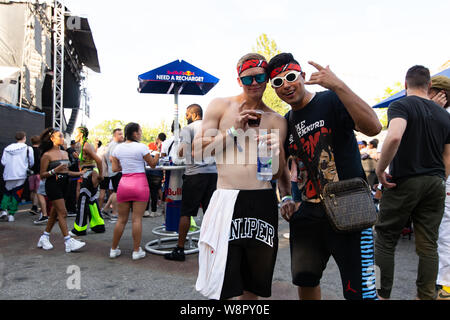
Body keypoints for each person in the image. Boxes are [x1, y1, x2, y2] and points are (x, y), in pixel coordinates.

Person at [270, 53, 382, 300]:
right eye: (277, 82)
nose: (286, 85)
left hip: (350, 208)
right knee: (305, 281)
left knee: (361, 291)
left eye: (290, 77)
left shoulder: (331, 99)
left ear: (301, 76)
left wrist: (337, 84)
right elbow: (282, 168)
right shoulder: (286, 122)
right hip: (308, 214)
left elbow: (374, 127)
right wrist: (286, 197)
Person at [194, 53, 287, 300]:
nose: (255, 82)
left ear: (267, 78)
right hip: (227, 198)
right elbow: (196, 151)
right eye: (249, 78)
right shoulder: (220, 106)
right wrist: (234, 131)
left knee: (253, 282)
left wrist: (277, 153)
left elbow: (278, 174)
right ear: (239, 80)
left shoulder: (277, 120)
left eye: (260, 77)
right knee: (221, 278)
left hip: (263, 201)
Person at [375, 65, 450, 300]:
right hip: (436, 181)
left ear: (405, 84)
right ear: (428, 86)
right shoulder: (443, 114)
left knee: (385, 238)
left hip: (405, 180)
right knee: (428, 243)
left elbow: (395, 135)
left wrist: (379, 169)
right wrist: (439, 179)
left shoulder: (401, 104)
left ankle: (380, 293)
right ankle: (426, 295)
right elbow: (448, 156)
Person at [164, 104, 218, 261]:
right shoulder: (212, 127)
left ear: (194, 115)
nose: (185, 117)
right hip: (213, 175)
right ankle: (212, 249)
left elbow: (182, 152)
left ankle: (180, 249)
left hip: (194, 174)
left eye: (187, 114)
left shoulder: (188, 129)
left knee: (186, 213)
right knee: (211, 213)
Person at [110, 122, 160, 260]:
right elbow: (153, 164)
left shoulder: (117, 149)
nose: (141, 133)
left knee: (121, 220)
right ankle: (136, 251)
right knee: (137, 219)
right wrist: (157, 154)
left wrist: (126, 166)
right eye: (140, 131)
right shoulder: (142, 147)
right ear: (135, 133)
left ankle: (113, 250)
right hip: (139, 183)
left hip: (124, 183)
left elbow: (114, 169)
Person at [35, 128, 87, 253]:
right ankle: (68, 241)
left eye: (63, 136)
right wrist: (55, 170)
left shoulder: (64, 153)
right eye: (60, 136)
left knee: (54, 213)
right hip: (53, 185)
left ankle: (44, 237)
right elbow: (42, 175)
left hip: (65, 184)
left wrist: (80, 173)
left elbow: (66, 171)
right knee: (62, 213)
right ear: (52, 138)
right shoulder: (47, 155)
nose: (62, 138)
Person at [429, 75, 450, 299]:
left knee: (444, 231)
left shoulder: (442, 117)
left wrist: (440, 183)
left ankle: (445, 285)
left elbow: (447, 157)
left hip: (443, 182)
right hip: (439, 181)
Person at [70, 126, 105, 236]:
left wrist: (101, 175)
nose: (74, 135)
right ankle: (98, 226)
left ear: (81, 134)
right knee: (91, 201)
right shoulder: (83, 145)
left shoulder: (85, 146)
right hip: (88, 174)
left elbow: (98, 160)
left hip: (89, 175)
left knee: (83, 201)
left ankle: (79, 229)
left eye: (76, 132)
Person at [0, 131, 34, 222]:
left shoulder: (7, 148)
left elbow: (3, 162)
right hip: (21, 173)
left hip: (9, 173)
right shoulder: (28, 148)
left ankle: (3, 210)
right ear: (24, 138)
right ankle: (11, 215)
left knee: (7, 192)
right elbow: (32, 161)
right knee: (17, 193)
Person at [101, 128, 124, 221]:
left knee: (115, 192)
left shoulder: (115, 145)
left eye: (122, 134)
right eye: (119, 134)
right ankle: (114, 213)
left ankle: (105, 209)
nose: (122, 136)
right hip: (116, 172)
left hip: (114, 172)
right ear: (114, 136)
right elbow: (111, 158)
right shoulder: (114, 145)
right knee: (117, 193)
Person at [65, 140, 79, 217]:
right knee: (73, 191)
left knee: (71, 191)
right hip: (73, 173)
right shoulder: (71, 150)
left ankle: (70, 208)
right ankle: (72, 209)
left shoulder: (67, 151)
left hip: (71, 174)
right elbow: (77, 157)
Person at [28, 135, 41, 215]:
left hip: (31, 173)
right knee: (37, 191)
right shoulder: (41, 151)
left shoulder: (29, 150)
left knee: (32, 191)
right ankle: (34, 207)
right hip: (39, 173)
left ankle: (33, 205)